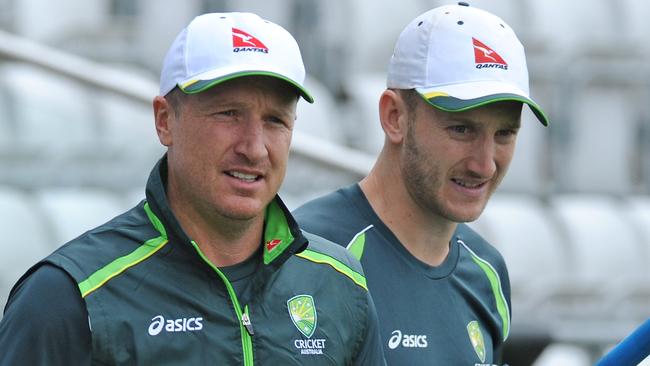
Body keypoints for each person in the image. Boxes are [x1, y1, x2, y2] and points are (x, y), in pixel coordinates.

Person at [0, 12, 386, 365]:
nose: (253, 147)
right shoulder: (68, 296)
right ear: (165, 121)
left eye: (275, 120)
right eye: (228, 114)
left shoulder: (340, 284)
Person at [294, 2, 549, 365]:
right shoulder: (306, 255)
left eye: (505, 133)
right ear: (394, 117)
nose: (485, 164)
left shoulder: (487, 273)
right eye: (462, 129)